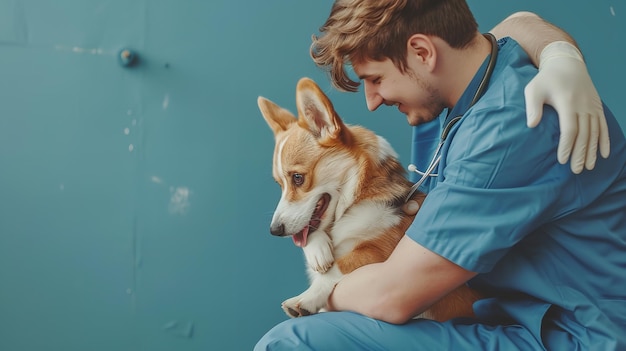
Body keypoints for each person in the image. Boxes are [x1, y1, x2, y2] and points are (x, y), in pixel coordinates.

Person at [256, 1, 625, 350]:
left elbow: (392, 296)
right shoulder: (479, 81)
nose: (371, 101)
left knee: (291, 343)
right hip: (508, 317)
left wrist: (324, 290)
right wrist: (560, 52)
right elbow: (519, 22)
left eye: (376, 78)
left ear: (422, 52)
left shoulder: (507, 129)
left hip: (570, 337)